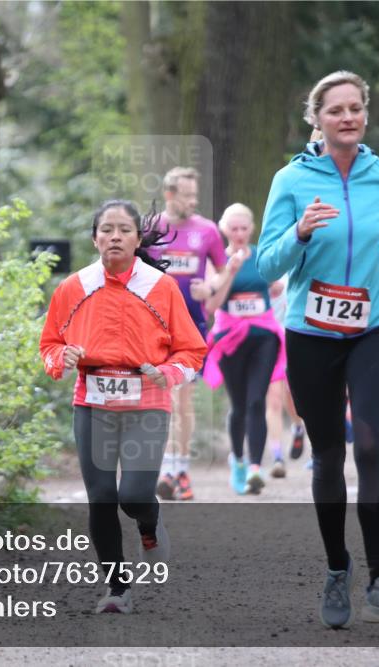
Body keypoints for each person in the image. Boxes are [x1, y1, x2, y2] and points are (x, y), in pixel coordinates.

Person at [256, 70, 379, 628]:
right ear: (317, 118)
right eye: (336, 110)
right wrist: (300, 231)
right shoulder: (291, 180)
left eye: (356, 108)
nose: (347, 117)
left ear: (366, 115)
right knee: (329, 455)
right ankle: (337, 570)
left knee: (371, 441)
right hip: (309, 331)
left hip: (375, 325)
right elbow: (266, 263)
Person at [39, 200, 207, 614]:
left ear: (137, 239)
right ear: (94, 237)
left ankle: (148, 525)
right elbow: (49, 345)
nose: (115, 236)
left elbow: (192, 351)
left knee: (133, 495)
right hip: (92, 403)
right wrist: (63, 360)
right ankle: (118, 589)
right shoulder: (73, 287)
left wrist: (166, 374)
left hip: (146, 403)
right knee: (100, 498)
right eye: (107, 229)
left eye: (124, 230)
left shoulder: (160, 287)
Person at [148, 167, 228, 501]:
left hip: (191, 327)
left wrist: (209, 286)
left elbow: (223, 273)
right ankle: (168, 467)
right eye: (187, 195)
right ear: (169, 195)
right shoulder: (151, 228)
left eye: (196, 195)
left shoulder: (207, 231)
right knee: (162, 399)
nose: (193, 201)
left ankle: (178, 470)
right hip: (153, 327)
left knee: (182, 400)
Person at [201, 203, 286, 494]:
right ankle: (237, 461)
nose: (238, 234)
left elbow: (276, 284)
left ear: (251, 229)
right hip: (229, 336)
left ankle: (255, 469)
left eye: (243, 228)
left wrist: (275, 287)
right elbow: (211, 301)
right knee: (238, 405)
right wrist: (231, 272)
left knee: (256, 401)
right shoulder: (217, 261)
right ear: (224, 229)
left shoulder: (262, 255)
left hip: (263, 335)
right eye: (233, 229)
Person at [266, 273, 307, 477]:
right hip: (267, 345)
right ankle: (277, 457)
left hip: (292, 343)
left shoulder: (293, 277)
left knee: (292, 397)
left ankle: (298, 426)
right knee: (273, 401)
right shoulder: (252, 279)